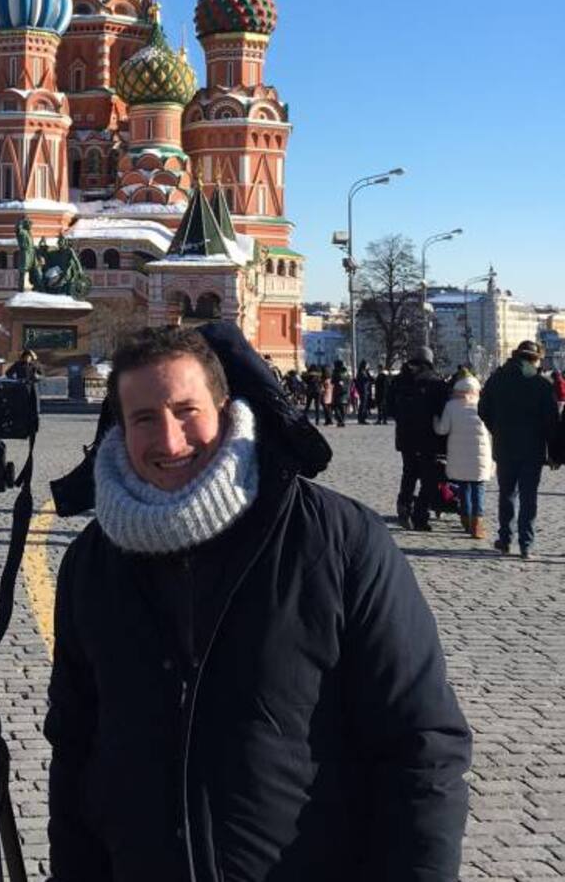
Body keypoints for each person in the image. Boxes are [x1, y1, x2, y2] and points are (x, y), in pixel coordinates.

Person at [46, 325, 471, 881]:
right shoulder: (91, 564)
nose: (169, 441)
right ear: (119, 430)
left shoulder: (337, 541)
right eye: (144, 419)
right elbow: (75, 750)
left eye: (187, 411)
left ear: (225, 409)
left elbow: (422, 744)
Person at [479, 341, 559, 559]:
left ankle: (505, 540)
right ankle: (526, 544)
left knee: (507, 494)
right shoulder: (541, 385)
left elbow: (483, 409)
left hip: (504, 447)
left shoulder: (497, 379)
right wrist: (554, 452)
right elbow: (551, 422)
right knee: (528, 497)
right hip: (533, 450)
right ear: (535, 359)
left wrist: (497, 429)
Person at [388, 346, 450, 531]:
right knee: (428, 478)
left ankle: (404, 506)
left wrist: (402, 419)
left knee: (409, 473)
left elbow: (389, 407)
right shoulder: (435, 382)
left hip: (405, 436)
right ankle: (420, 516)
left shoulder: (399, 380)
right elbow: (442, 410)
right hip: (427, 437)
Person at [434, 374, 493, 540]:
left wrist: (435, 420)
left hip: (458, 454)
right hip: (480, 455)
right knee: (478, 488)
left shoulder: (451, 406)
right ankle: (477, 524)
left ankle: (465, 519)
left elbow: (442, 429)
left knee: (464, 487)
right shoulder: (483, 404)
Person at [331, 359, 351, 427]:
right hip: (345, 392)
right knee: (343, 407)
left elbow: (332, 381)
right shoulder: (346, 373)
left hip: (337, 392)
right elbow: (349, 381)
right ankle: (342, 420)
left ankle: (340, 420)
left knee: (336, 407)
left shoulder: (336, 372)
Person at [355, 360, 374, 424]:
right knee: (363, 404)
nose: (368, 366)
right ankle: (361, 418)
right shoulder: (361, 372)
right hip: (363, 390)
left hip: (366, 390)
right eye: (367, 365)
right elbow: (362, 381)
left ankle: (363, 418)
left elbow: (371, 379)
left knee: (364, 404)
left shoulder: (366, 372)